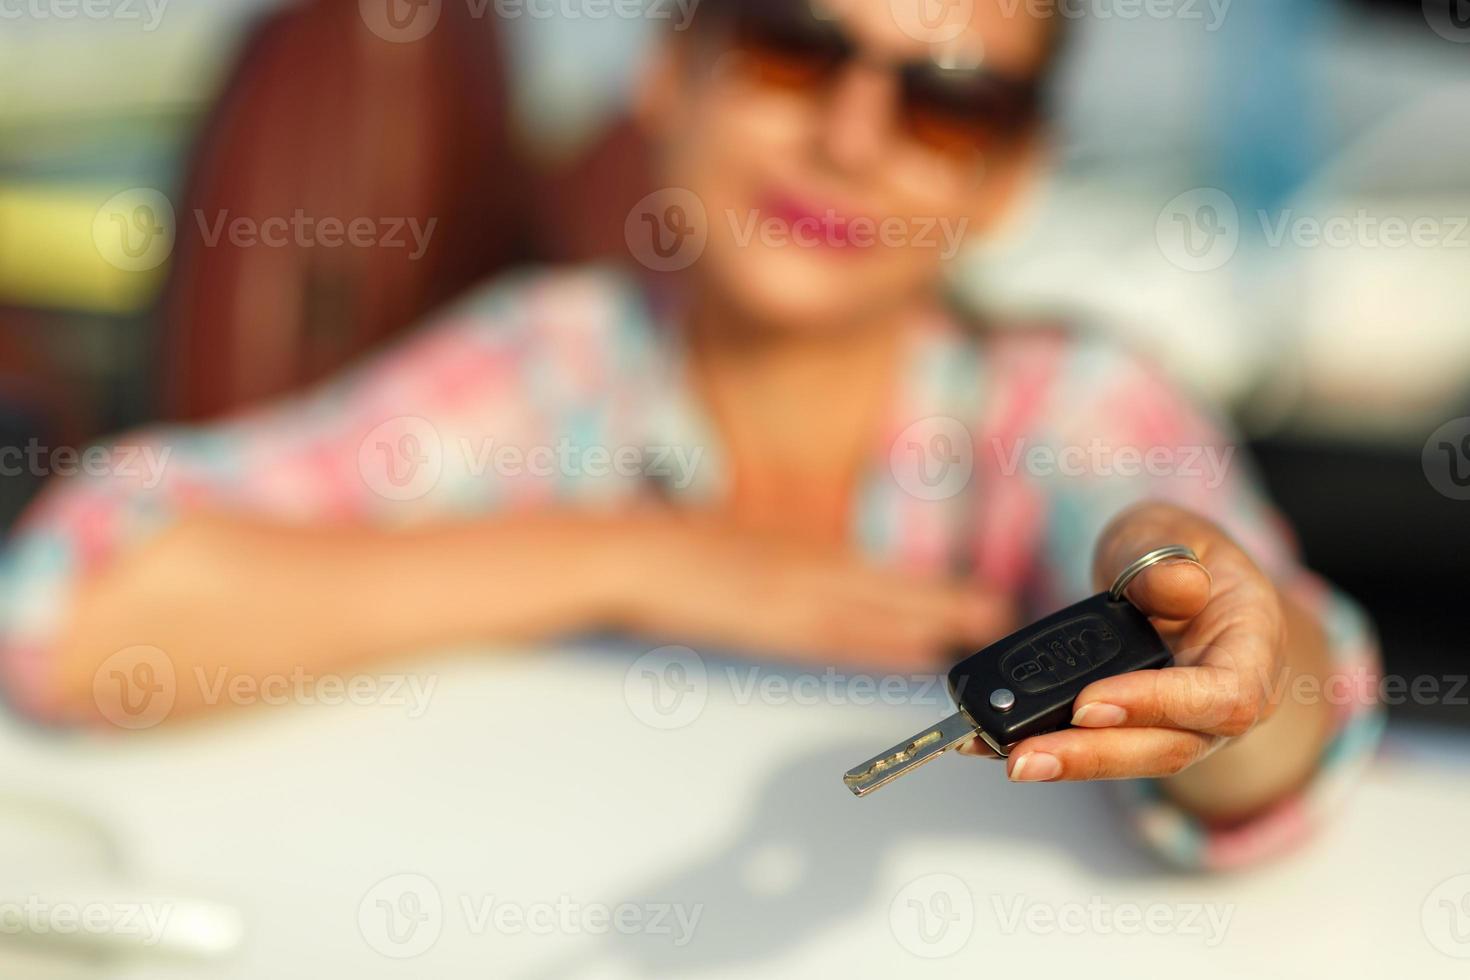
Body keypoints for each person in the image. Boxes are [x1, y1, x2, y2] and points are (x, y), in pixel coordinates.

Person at [0, 0, 1381, 870]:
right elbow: (74, 605)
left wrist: (1224, 636)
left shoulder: (1067, 402)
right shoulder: (551, 369)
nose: (850, 138)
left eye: (947, 103)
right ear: (676, 68)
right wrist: (632, 560)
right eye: (795, 49)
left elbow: (1269, 715)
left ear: (1008, 178)